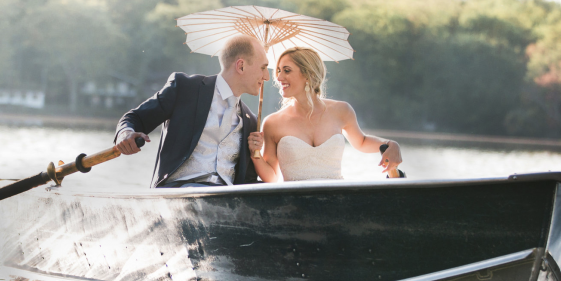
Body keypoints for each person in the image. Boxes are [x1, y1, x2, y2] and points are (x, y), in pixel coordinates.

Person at [115, 34, 270, 187]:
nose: (267, 76)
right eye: (263, 68)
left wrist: (256, 155)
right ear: (241, 66)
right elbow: (135, 118)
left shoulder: (251, 121)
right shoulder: (185, 88)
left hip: (226, 203)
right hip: (179, 194)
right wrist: (125, 133)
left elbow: (247, 185)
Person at [248, 47, 402, 182]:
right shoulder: (272, 123)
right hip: (294, 205)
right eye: (278, 71)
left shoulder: (342, 110)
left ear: (308, 74)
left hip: (336, 201)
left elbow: (361, 142)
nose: (279, 78)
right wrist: (255, 154)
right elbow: (272, 177)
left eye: (286, 70)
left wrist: (389, 144)